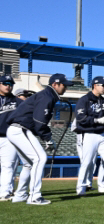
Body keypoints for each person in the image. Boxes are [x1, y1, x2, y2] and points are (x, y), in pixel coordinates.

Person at [7, 73, 72, 205]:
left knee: (28, 164)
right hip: (20, 129)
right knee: (40, 158)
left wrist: (45, 137)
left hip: (16, 130)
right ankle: (34, 196)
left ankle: (20, 195)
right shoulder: (46, 96)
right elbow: (39, 121)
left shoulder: (47, 96)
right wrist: (47, 138)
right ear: (55, 84)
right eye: (63, 85)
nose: (65, 88)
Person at [0, 75, 28, 201]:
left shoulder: (18, 102)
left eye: (10, 83)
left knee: (8, 166)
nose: (8, 85)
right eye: (5, 83)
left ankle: (4, 193)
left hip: (8, 138)